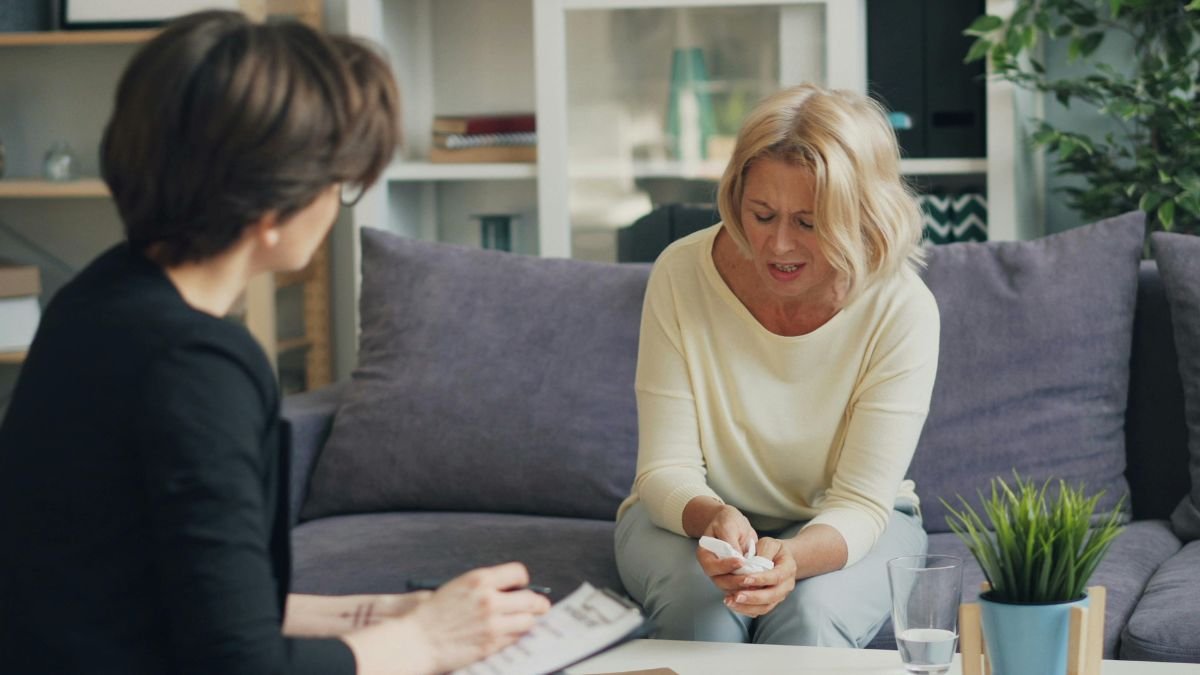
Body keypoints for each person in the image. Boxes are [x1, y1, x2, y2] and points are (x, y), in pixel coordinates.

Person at [0, 11, 548, 674]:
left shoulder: (95, 298)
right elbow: (241, 663)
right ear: (269, 209)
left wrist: (395, 615)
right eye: (339, 180)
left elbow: (189, 600)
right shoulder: (197, 366)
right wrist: (427, 643)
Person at [614, 83, 940, 647]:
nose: (778, 246)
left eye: (809, 224)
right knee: (703, 610)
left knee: (808, 620)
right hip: (692, 519)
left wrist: (791, 558)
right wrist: (711, 516)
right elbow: (663, 468)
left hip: (849, 524)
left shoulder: (901, 307)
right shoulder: (681, 273)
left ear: (862, 215)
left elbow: (861, 504)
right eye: (762, 215)